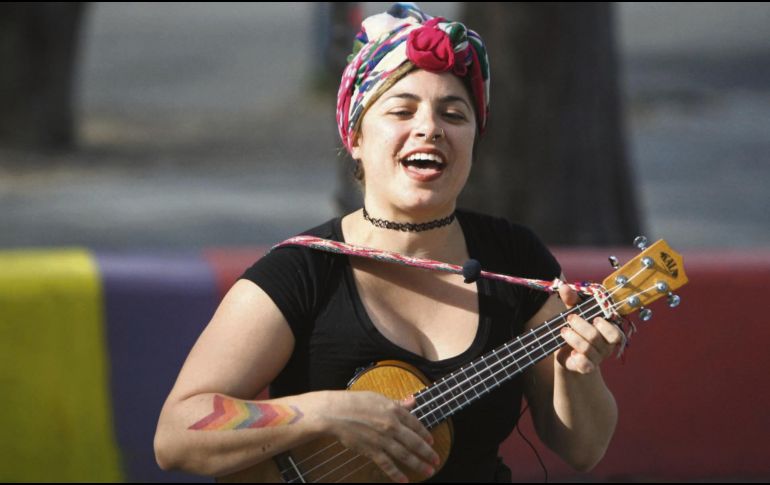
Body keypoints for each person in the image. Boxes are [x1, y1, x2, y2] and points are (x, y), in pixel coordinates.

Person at [154, 3, 623, 482]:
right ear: (355, 135)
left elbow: (584, 449)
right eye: (402, 110)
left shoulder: (515, 257)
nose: (430, 128)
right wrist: (325, 413)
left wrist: (577, 370)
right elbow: (176, 435)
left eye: (454, 114)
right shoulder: (301, 272)